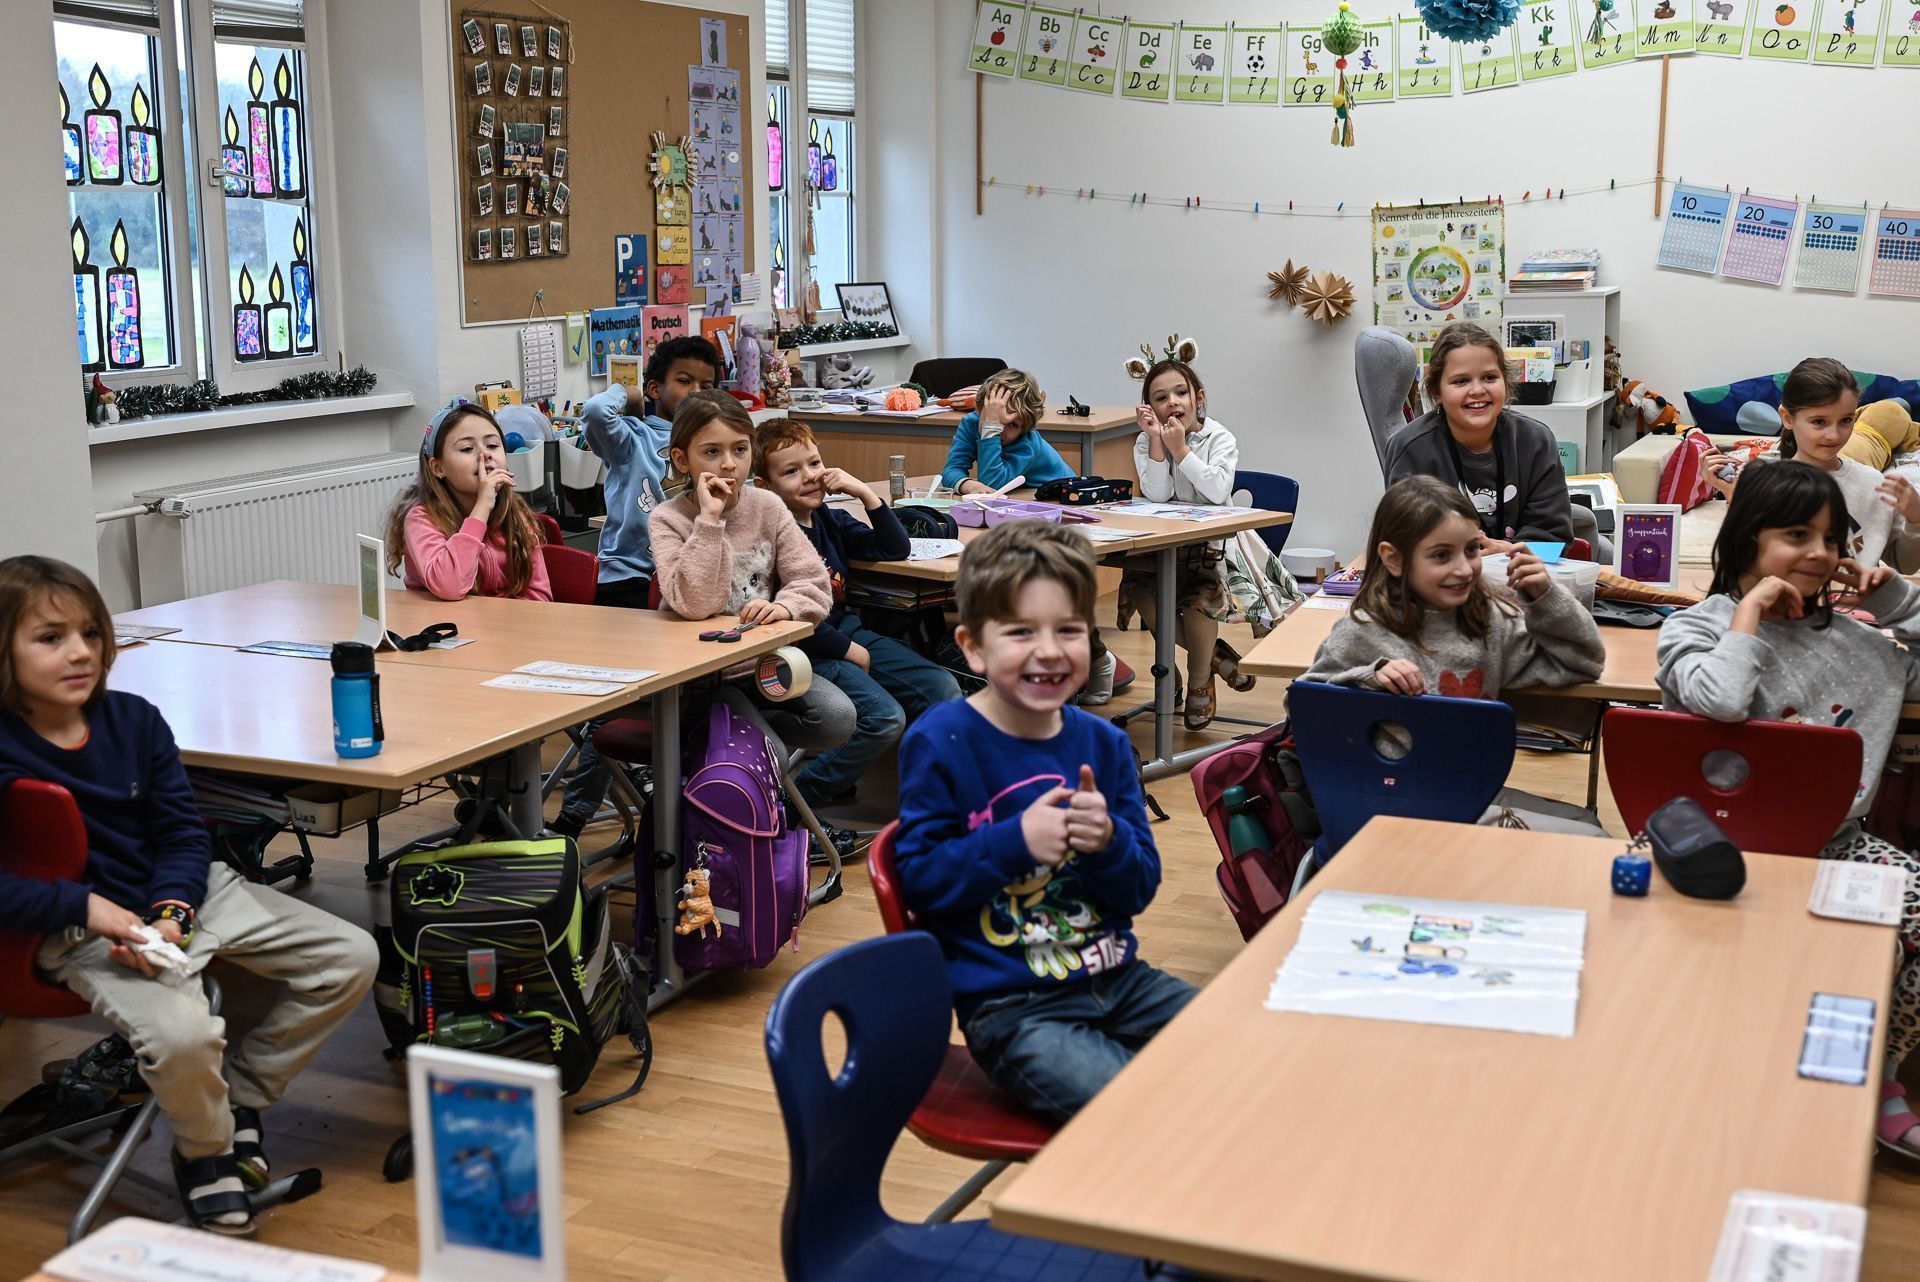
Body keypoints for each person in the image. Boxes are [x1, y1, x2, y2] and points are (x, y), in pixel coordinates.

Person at [0, 556, 377, 1235]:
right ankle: (206, 1156)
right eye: (50, 638)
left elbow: (179, 831)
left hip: (183, 895)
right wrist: (87, 910)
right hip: (79, 927)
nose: (81, 652)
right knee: (182, 1037)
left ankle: (241, 1106)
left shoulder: (135, 721)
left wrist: (172, 910)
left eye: (90, 632)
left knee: (350, 957)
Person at [1655, 460, 1920, 1157]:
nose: (1820, 554)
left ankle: (1879, 1073)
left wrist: (1894, 601)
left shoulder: (1863, 643)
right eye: (1797, 534)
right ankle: (1674, 1057)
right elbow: (1719, 700)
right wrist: (1747, 613)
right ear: (1747, 540)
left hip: (1833, 849)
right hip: (1706, 843)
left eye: (1832, 540)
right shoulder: (1694, 630)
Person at [893, 521, 1196, 1122]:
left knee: (1246, 1055)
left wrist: (1107, 843)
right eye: (1021, 632)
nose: (1050, 650)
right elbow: (920, 882)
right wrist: (1015, 841)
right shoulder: (942, 740)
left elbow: (1137, 890)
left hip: (1120, 981)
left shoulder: (1105, 746)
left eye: (1069, 631)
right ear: (973, 647)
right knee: (1136, 1109)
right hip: (1013, 1006)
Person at [1299, 476, 1607, 830]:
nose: (1463, 569)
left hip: (1466, 794)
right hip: (1392, 804)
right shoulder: (1365, 628)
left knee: (1587, 825)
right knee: (1591, 840)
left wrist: (1546, 597)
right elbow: (1305, 707)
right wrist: (1367, 677)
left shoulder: (1490, 621)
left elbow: (1583, 662)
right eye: (1442, 555)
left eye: (1472, 549)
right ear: (1394, 559)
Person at [649, 392, 857, 812]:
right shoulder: (667, 519)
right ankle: (743, 787)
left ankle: (725, 754)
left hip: (764, 665)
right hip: (703, 679)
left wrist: (785, 607)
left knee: (838, 718)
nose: (729, 464)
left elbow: (812, 581)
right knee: (769, 756)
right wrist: (709, 520)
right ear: (682, 460)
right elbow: (693, 603)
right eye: (712, 452)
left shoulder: (768, 505)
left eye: (740, 450)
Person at [554, 336, 723, 838]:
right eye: (683, 381)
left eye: (706, 385)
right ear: (656, 388)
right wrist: (629, 394)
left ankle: (675, 802)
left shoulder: (711, 448)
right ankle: (576, 815)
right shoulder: (633, 438)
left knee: (679, 695)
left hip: (684, 589)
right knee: (621, 700)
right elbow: (593, 413)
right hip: (627, 581)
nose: (695, 393)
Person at [755, 418, 961, 802]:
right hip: (804, 648)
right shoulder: (772, 534)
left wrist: (865, 493)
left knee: (941, 688)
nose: (810, 477)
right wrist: (848, 650)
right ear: (765, 487)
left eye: (814, 463)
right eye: (792, 471)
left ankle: (940, 792)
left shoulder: (828, 518)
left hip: (846, 633)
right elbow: (793, 615)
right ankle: (799, 799)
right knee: (885, 718)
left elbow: (894, 548)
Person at [1122, 354, 1303, 730]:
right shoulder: (1145, 442)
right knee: (1141, 589)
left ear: (1198, 398)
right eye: (1160, 397)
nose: (1172, 402)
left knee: (1199, 603)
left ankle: (1200, 675)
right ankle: (1214, 657)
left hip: (1216, 546)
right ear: (1148, 408)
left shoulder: (1218, 437)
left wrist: (1181, 451)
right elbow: (1157, 495)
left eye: (1180, 393)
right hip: (1167, 543)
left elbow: (1219, 491)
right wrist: (1158, 444)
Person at [1700, 358, 1920, 572]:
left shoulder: (1874, 483)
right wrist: (1736, 502)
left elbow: (1906, 563)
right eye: (1819, 422)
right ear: (1787, 417)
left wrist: (1916, 518)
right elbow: (1733, 568)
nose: (1834, 435)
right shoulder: (1765, 486)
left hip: (1861, 606)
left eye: (1846, 420)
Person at [1385, 321, 1574, 550]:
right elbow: (1406, 544)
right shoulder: (1410, 449)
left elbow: (1555, 541)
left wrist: (1505, 552)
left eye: (1489, 377)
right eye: (1461, 381)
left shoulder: (1536, 441)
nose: (1477, 390)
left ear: (1505, 381)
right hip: (1445, 578)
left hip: (1521, 576)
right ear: (1437, 392)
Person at [386, 399, 550, 602]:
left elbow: (539, 597)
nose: (485, 455)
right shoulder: (422, 519)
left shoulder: (517, 514)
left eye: (492, 445)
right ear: (438, 468)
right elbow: (449, 586)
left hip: (503, 630)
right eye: (466, 449)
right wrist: (481, 509)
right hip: (444, 628)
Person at [936, 368, 1074, 496]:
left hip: (1063, 496)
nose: (1000, 430)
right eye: (992, 418)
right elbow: (950, 470)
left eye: (1013, 425)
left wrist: (990, 428)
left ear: (1025, 427)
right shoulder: (971, 423)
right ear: (979, 409)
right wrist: (968, 485)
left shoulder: (1027, 442)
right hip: (1026, 495)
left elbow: (994, 485)